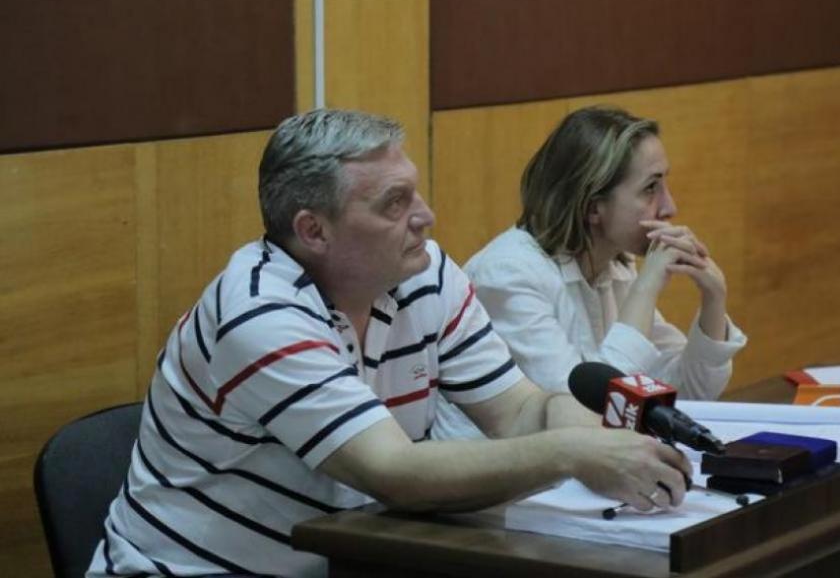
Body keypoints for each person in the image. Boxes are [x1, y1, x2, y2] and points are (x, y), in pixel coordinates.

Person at [87, 109, 692, 578]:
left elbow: (521, 411)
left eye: (414, 192)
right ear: (313, 230)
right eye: (394, 203)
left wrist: (614, 443)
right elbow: (395, 472)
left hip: (351, 561)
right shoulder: (259, 314)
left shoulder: (424, 274)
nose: (425, 216)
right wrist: (574, 454)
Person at [434, 106, 746, 440]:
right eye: (651, 188)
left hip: (571, 465)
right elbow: (586, 416)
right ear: (593, 206)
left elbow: (687, 396)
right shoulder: (508, 275)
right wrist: (645, 289)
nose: (670, 207)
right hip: (497, 471)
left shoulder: (613, 263)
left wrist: (713, 299)